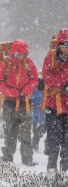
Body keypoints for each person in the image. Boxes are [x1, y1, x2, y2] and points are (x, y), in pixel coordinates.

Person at [0, 40, 38, 166]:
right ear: (13, 53)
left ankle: (27, 159)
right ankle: (8, 158)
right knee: (10, 132)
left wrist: (26, 90)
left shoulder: (28, 63)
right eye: (18, 54)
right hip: (9, 103)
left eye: (23, 54)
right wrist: (10, 92)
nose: (21, 56)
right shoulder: (5, 63)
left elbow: (34, 79)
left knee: (26, 132)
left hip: (25, 102)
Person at [42, 29, 68, 172]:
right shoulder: (50, 58)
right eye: (64, 45)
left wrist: (60, 79)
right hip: (53, 106)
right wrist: (65, 77)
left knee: (67, 141)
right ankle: (51, 168)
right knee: (53, 138)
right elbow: (49, 81)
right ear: (58, 45)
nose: (66, 49)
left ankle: (65, 170)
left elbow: (54, 80)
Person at [32, 77, 46, 152]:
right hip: (38, 111)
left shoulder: (38, 88)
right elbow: (33, 98)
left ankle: (35, 144)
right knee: (37, 130)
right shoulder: (36, 89)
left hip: (42, 112)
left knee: (41, 130)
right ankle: (35, 144)